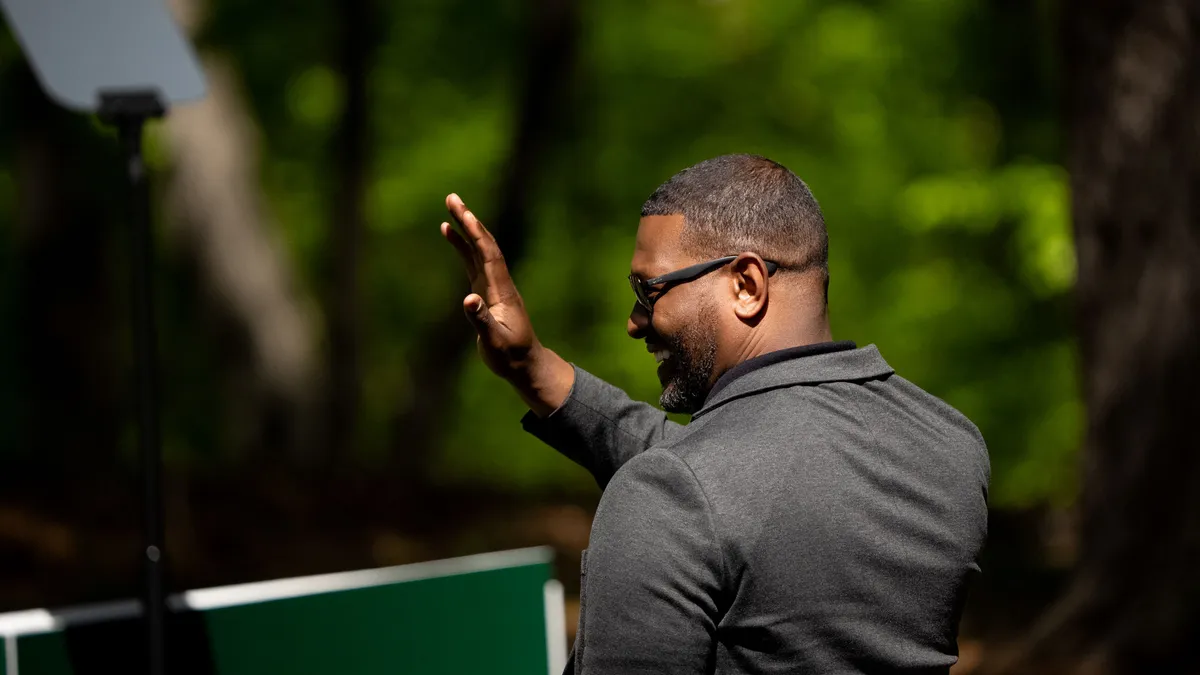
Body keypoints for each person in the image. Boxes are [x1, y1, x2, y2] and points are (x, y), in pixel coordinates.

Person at [440, 154, 989, 674]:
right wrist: (532, 368)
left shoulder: (672, 496)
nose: (634, 321)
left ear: (746, 285)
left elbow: (709, 486)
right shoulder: (950, 446)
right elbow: (746, 483)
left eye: (647, 290)